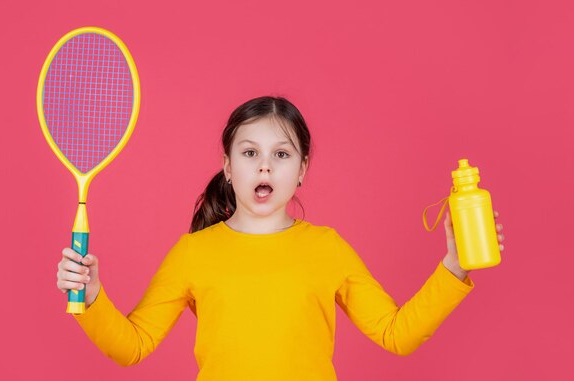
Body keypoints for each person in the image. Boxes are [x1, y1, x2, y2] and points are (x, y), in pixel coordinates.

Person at [56, 96, 505, 380]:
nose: (265, 166)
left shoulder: (327, 247)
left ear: (302, 169)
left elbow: (396, 335)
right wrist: (91, 296)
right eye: (250, 153)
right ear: (229, 168)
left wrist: (455, 265)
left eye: (282, 154)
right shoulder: (194, 252)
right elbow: (132, 347)